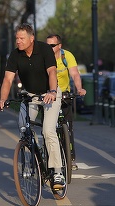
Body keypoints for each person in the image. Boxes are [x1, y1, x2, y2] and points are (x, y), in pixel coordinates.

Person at [0, 23, 65, 189]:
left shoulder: (44, 50)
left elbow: (52, 72)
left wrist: (52, 91)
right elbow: (7, 79)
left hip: (50, 94)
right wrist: (2, 99)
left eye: (22, 38)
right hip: (31, 95)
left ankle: (57, 172)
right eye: (17, 38)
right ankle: (36, 154)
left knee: (48, 131)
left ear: (31, 38)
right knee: (23, 127)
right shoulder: (15, 55)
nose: (18, 41)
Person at [46, 34, 86, 170]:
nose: (49, 48)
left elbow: (74, 74)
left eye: (52, 45)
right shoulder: (44, 57)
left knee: (67, 127)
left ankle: (71, 158)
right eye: (47, 45)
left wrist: (79, 88)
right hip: (49, 95)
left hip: (64, 94)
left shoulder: (66, 56)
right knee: (48, 128)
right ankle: (48, 155)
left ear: (59, 46)